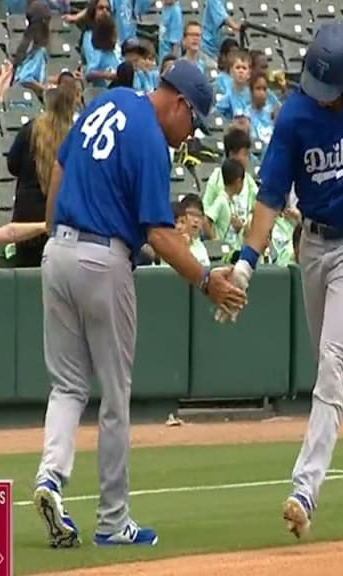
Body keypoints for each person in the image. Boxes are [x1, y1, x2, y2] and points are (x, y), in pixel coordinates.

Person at [32, 60, 245, 549]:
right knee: (114, 395)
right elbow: (158, 233)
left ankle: (50, 478)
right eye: (193, 122)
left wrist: (52, 227)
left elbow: (62, 163)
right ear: (180, 104)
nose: (190, 136)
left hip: (58, 251)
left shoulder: (111, 100)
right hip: (103, 260)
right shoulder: (152, 139)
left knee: (66, 385)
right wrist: (206, 279)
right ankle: (112, 520)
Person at [218, 22, 343, 539]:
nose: (321, 98)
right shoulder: (296, 115)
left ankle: (305, 488)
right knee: (335, 357)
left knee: (328, 368)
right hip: (314, 244)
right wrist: (244, 264)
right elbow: (269, 197)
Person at [8, 76, 83, 268]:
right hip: (63, 220)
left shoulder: (29, 130)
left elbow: (12, 165)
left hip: (27, 220)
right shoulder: (76, 135)